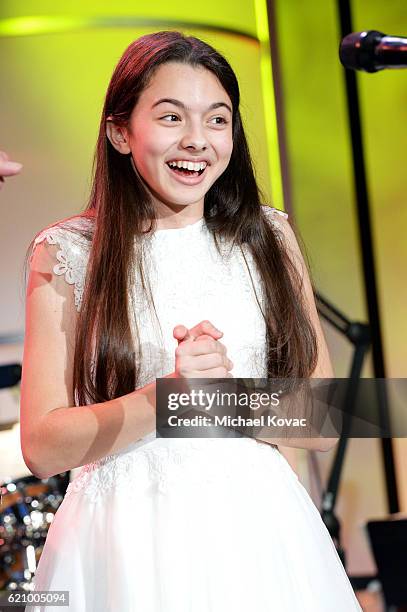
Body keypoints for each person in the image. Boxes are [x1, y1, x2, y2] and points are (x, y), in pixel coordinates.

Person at [20, 31, 362, 611]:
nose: (198, 141)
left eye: (218, 120)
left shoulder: (268, 237)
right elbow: (42, 446)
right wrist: (164, 400)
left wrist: (221, 398)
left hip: (258, 533)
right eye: (172, 117)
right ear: (120, 132)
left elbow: (322, 424)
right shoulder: (69, 251)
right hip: (123, 538)